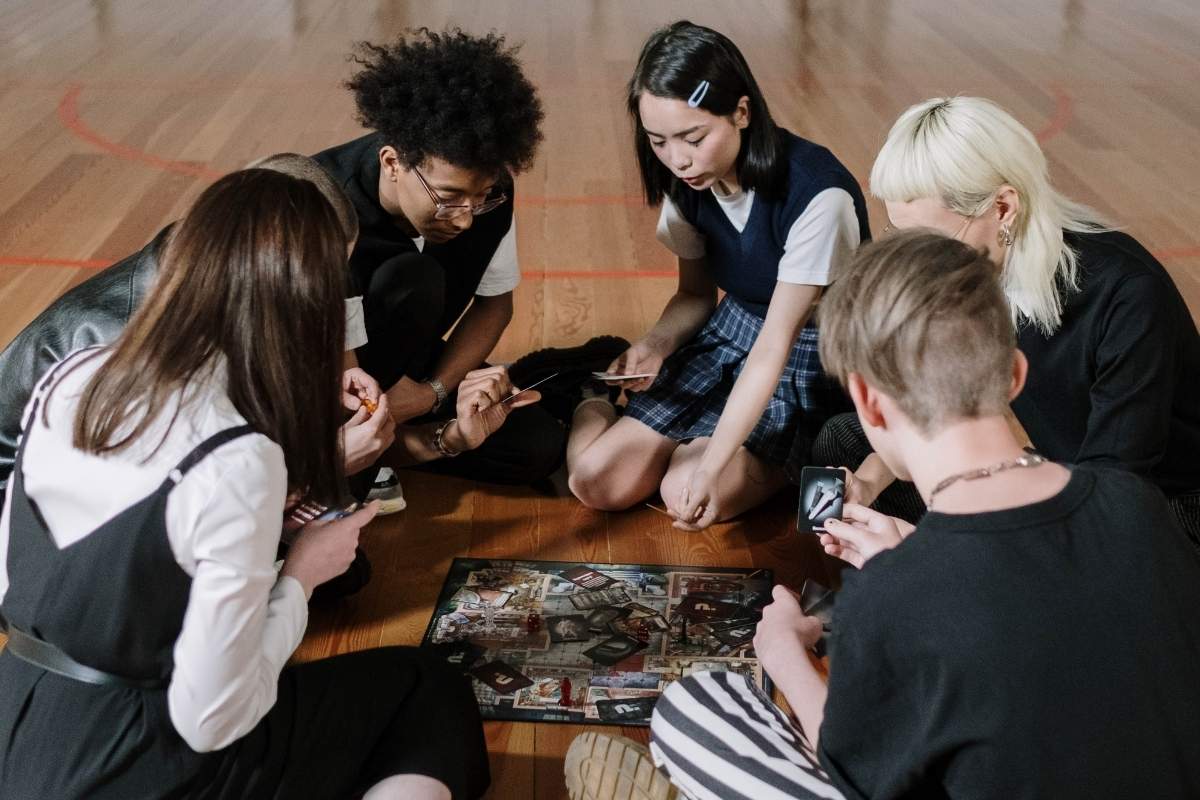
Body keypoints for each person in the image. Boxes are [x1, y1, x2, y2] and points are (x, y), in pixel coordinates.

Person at [566, 231, 1200, 800]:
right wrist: (911, 563)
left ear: (865, 400)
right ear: (1013, 373)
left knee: (694, 706)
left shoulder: (893, 596)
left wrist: (786, 653)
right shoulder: (1134, 502)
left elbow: (853, 768)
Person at [0, 169, 496, 800]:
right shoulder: (238, 453)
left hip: (17, 726)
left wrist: (264, 526)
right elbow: (212, 722)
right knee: (427, 687)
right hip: (140, 759)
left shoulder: (78, 371)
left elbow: (47, 570)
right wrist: (302, 577)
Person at [807, 96, 1200, 545]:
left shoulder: (1127, 294)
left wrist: (968, 549)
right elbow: (938, 407)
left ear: (1003, 208)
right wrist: (873, 481)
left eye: (930, 237)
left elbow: (1112, 487)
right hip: (1068, 474)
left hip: (1158, 504)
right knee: (845, 440)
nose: (919, 258)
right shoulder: (967, 270)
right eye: (902, 233)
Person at [566, 21, 868, 530]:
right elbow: (694, 295)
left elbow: (775, 345)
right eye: (658, 141)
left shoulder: (819, 195)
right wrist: (656, 344)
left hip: (811, 355)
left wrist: (708, 466)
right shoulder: (686, 182)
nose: (677, 159)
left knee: (685, 490)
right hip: (731, 336)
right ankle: (588, 395)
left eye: (694, 137)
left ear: (742, 112)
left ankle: (770, 458)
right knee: (593, 481)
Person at [314, 29, 628, 491]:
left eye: (478, 198)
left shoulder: (489, 193)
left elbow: (494, 305)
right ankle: (368, 457)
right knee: (413, 277)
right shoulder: (324, 207)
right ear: (392, 163)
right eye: (448, 198)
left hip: (409, 376)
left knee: (535, 448)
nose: (464, 219)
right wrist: (367, 412)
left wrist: (431, 394)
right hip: (323, 376)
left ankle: (406, 444)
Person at [0, 153, 393, 505]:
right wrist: (319, 467)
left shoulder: (205, 266)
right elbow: (146, 505)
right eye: (317, 278)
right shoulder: (126, 343)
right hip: (30, 516)